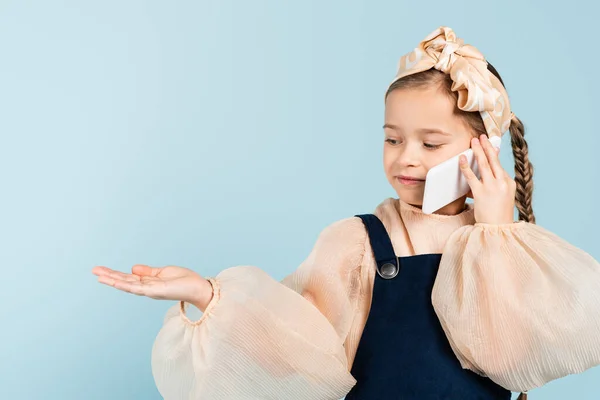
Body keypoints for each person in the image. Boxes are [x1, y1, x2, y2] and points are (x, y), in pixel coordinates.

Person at [92, 26, 600, 400]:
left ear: (481, 149)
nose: (407, 157)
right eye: (393, 139)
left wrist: (495, 231)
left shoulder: (505, 246)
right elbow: (295, 349)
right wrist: (206, 295)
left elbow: (524, 351)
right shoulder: (357, 242)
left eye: (432, 142)